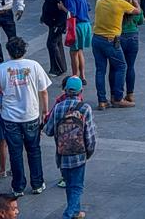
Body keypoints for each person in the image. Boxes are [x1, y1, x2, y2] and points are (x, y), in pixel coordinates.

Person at [0, 36, 51, 198]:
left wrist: (0, 99)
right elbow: (43, 90)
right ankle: (37, 183)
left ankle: (18, 186)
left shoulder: (1, 69)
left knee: (15, 153)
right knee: (34, 150)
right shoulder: (34, 66)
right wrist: (45, 111)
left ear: (9, 52)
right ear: (24, 50)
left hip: (10, 117)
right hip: (31, 115)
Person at [44, 76, 96, 219]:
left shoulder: (59, 107)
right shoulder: (85, 108)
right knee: (77, 186)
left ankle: (76, 212)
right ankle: (68, 215)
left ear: (65, 90)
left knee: (69, 185)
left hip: (62, 154)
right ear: (81, 91)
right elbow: (90, 136)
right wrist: (88, 152)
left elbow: (48, 130)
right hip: (79, 155)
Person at [92, 0, 138, 109]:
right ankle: (118, 97)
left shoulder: (99, 2)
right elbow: (137, 12)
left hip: (97, 38)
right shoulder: (120, 4)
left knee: (100, 70)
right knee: (122, 66)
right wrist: (136, 2)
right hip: (111, 40)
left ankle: (102, 100)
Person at [117, 0, 143, 104]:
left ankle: (117, 93)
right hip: (133, 36)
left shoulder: (117, 5)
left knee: (119, 67)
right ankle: (130, 93)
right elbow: (140, 20)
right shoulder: (133, 6)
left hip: (120, 36)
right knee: (130, 66)